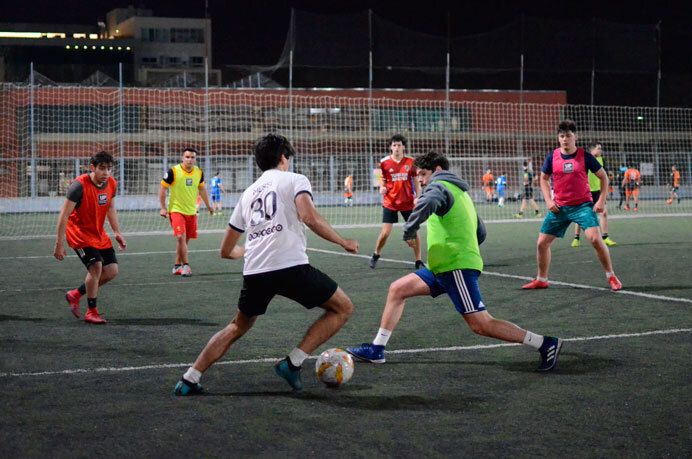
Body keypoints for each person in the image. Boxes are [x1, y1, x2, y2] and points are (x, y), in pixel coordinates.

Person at [174, 134, 359, 395]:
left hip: (256, 272)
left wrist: (244, 251)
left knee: (238, 325)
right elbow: (309, 216)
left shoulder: (248, 193)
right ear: (284, 158)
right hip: (290, 267)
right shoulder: (295, 179)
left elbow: (225, 251)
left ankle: (189, 378)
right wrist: (343, 241)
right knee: (343, 308)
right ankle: (293, 363)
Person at [347, 151, 563, 372]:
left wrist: (410, 230)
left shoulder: (437, 186)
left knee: (481, 324)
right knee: (397, 289)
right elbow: (481, 232)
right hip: (442, 267)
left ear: (437, 170)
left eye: (423, 174)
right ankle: (377, 349)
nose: (420, 179)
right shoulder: (461, 193)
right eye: (418, 175)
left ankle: (544, 343)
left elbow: (428, 201)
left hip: (455, 267)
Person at [522, 120, 622, 291]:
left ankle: (611, 276)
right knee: (541, 243)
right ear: (558, 138)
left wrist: (601, 200)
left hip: (582, 206)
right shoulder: (552, 157)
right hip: (559, 208)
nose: (565, 139)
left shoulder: (585, 156)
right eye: (562, 136)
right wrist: (548, 200)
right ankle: (542, 279)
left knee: (596, 239)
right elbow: (544, 179)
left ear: (575, 137)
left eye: (568, 136)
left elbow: (604, 177)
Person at [55, 151, 127, 324]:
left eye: (109, 169)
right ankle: (91, 312)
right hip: (78, 234)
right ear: (92, 168)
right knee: (96, 267)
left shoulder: (112, 184)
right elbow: (64, 215)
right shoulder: (78, 186)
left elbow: (110, 208)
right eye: (102, 169)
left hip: (97, 233)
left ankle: (75, 294)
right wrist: (59, 243)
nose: (106, 173)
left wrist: (117, 232)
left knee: (111, 271)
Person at [369, 134, 424, 270]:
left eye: (399, 145)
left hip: (408, 203)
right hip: (390, 202)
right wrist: (382, 187)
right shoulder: (384, 163)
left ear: (404, 147)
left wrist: (418, 196)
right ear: (391, 147)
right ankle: (376, 254)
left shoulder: (411, 162)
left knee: (415, 231)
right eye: (394, 145)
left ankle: (418, 260)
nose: (397, 148)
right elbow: (383, 180)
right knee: (385, 233)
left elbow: (416, 182)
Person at [158, 148, 213, 277]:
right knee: (180, 237)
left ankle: (177, 266)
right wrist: (163, 207)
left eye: (192, 157)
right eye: (187, 157)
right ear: (182, 158)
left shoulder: (199, 172)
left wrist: (209, 206)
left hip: (191, 211)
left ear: (195, 159)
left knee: (183, 241)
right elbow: (162, 189)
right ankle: (186, 266)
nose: (190, 160)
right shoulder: (173, 171)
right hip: (176, 210)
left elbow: (203, 190)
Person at [571, 142, 616, 247]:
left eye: (601, 148)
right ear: (592, 150)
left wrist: (605, 191)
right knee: (580, 215)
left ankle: (605, 237)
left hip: (598, 191)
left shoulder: (602, 160)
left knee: (604, 213)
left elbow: (604, 177)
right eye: (598, 148)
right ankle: (576, 238)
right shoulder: (585, 159)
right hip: (586, 192)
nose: (600, 150)